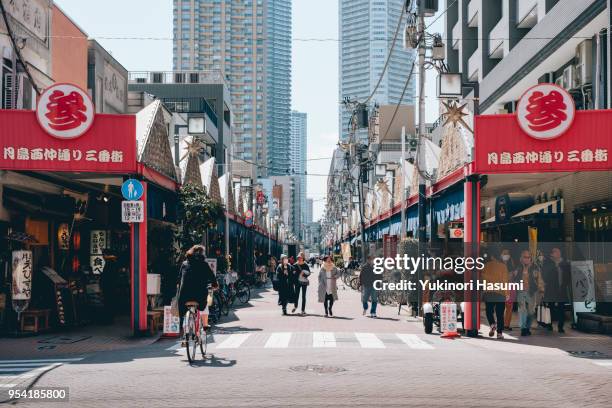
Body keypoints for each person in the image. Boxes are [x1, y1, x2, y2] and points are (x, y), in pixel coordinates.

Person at [176, 245, 218, 326]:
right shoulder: (204, 264)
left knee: (183, 308)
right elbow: (212, 277)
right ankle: (205, 325)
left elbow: (179, 278)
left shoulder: (184, 263)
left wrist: (179, 286)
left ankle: (184, 328)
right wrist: (215, 285)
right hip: (199, 296)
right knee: (205, 305)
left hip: (184, 296)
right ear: (202, 254)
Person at [481, 246, 508, 339]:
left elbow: (482, 278)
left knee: (489, 311)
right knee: (500, 314)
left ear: (492, 256)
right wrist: (507, 293)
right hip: (500, 292)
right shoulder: (503, 266)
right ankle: (499, 333)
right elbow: (505, 281)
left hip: (489, 292)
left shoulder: (486, 265)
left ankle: (492, 325)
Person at [515, 250, 544, 336]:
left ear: (531, 259)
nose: (526, 259)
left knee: (531, 312)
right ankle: (523, 328)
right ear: (521, 258)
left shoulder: (535, 268)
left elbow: (539, 279)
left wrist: (541, 290)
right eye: (525, 257)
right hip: (520, 292)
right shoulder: (518, 268)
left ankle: (527, 327)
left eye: (528, 257)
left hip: (531, 292)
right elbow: (513, 279)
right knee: (522, 310)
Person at [542, 247, 571, 333]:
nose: (556, 253)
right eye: (554, 252)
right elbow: (544, 275)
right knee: (550, 308)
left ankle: (560, 326)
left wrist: (565, 284)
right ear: (551, 254)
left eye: (558, 251)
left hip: (561, 289)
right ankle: (549, 325)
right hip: (551, 289)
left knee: (561, 309)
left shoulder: (565, 263)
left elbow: (568, 276)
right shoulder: (548, 263)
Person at [501, 248, 518, 331]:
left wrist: (513, 274)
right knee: (500, 307)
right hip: (500, 287)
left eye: (507, 253)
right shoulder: (499, 264)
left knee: (509, 307)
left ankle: (506, 325)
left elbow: (513, 275)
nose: (506, 255)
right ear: (501, 255)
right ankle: (501, 324)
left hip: (510, 286)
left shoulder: (512, 263)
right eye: (504, 253)